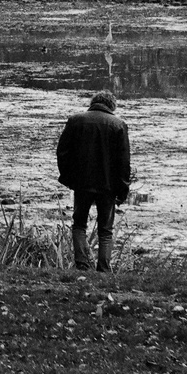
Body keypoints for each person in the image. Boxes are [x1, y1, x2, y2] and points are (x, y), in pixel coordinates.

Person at [56, 90, 132, 271]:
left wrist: (68, 179)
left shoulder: (75, 121)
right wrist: (123, 190)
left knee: (79, 224)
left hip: (82, 183)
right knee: (106, 230)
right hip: (108, 186)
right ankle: (104, 269)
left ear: (93, 102)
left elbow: (62, 153)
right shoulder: (119, 125)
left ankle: (82, 265)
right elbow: (123, 163)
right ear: (112, 106)